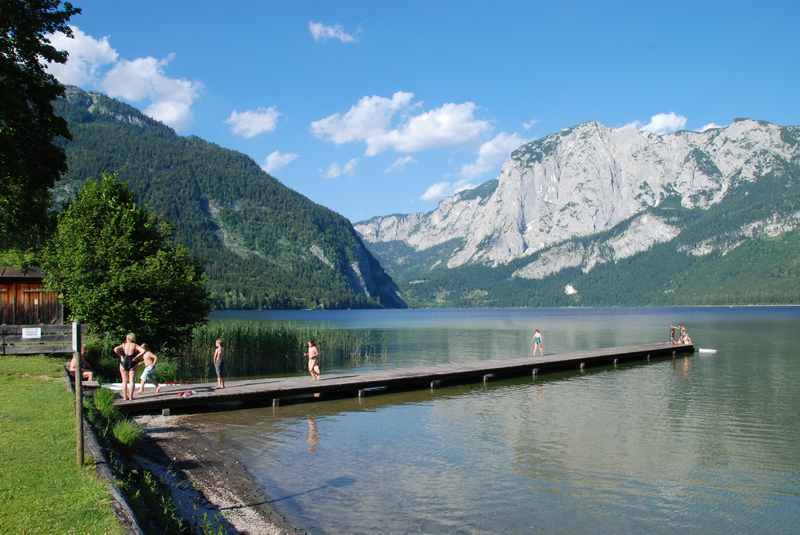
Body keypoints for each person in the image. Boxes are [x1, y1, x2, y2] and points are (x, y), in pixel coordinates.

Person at [114, 333, 145, 401]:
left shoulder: (123, 344)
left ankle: (125, 397)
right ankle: (131, 397)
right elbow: (143, 351)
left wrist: (121, 356)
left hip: (123, 362)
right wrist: (136, 357)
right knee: (131, 381)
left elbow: (115, 349)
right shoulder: (135, 345)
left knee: (124, 381)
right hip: (132, 362)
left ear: (127, 338)